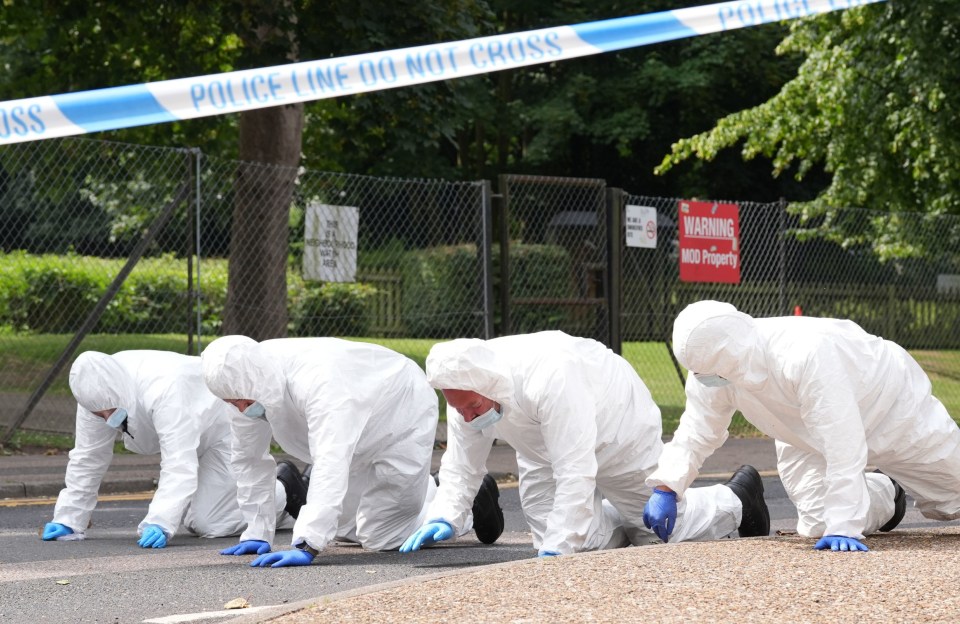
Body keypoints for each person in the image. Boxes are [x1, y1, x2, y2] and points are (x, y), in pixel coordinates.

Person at [400, 331, 769, 557]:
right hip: (541, 445)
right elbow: (463, 464)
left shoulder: (551, 377)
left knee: (663, 534)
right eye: (458, 409)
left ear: (490, 387)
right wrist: (445, 514)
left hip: (619, 429)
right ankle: (623, 520)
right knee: (561, 537)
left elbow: (574, 470)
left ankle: (738, 496)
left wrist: (561, 544)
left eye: (472, 408)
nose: (467, 418)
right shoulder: (468, 388)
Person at [642, 300, 957, 553]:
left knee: (953, 497)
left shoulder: (804, 352)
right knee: (820, 522)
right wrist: (667, 486)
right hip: (802, 432)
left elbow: (842, 439)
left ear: (730, 357)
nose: (699, 378)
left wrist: (844, 526)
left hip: (893, 408)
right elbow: (697, 430)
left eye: (704, 371)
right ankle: (890, 494)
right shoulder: (713, 371)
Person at [200, 335, 504, 568]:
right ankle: (431, 488)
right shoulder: (242, 381)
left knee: (381, 536)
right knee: (345, 529)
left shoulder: (320, 381)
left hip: (400, 415)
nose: (241, 409)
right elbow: (248, 459)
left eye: (242, 400)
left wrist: (306, 546)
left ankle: (467, 506)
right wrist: (257, 529)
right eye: (231, 403)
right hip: (354, 430)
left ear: (255, 382)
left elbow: (331, 459)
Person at [41, 350, 301, 548]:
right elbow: (88, 456)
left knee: (207, 523)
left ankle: (285, 489)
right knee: (201, 517)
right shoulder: (92, 396)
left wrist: (161, 521)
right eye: (100, 414)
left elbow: (178, 462)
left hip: (219, 428)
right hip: (188, 432)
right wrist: (69, 517)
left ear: (123, 391)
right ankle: (281, 507)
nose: (107, 418)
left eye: (112, 410)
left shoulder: (165, 388)